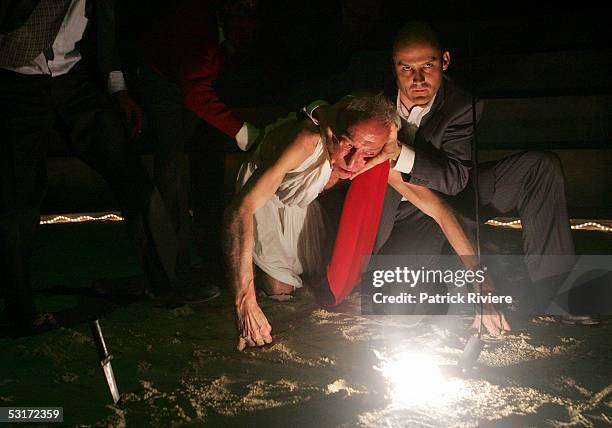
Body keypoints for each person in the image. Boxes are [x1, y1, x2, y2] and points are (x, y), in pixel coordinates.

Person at [308, 20, 576, 322]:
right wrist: (323, 111)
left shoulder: (462, 105)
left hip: (456, 196)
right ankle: (436, 266)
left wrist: (399, 154)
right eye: (406, 69)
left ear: (444, 61)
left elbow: (456, 179)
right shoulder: (374, 98)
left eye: (428, 65)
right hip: (404, 217)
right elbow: (316, 101)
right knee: (403, 306)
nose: (418, 79)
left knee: (540, 167)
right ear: (394, 68)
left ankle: (558, 292)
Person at [224, 93, 509, 351]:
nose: (351, 161)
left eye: (367, 154)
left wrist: (483, 285)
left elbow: (442, 213)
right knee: (278, 290)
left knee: (324, 285)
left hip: (309, 204)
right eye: (347, 145)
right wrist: (244, 301)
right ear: (334, 131)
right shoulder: (308, 141)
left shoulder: (371, 157)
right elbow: (239, 210)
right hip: (267, 197)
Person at [0, 0, 178, 335]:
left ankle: (165, 282)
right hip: (16, 81)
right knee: (18, 199)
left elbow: (105, 34)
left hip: (73, 80)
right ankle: (20, 310)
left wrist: (119, 90)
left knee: (129, 171)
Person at [133, 0, 262, 288]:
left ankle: (203, 259)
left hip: (178, 83)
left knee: (200, 167)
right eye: (241, 20)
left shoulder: (217, 30)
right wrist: (244, 132)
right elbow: (194, 93)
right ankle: (170, 273)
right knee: (171, 174)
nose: (246, 28)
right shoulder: (194, 21)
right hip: (161, 83)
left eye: (251, 21)